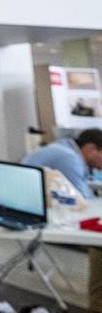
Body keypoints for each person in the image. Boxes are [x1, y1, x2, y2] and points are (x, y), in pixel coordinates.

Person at [22, 129, 102, 312]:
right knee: (99, 247)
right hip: (48, 219)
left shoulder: (61, 149)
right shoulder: (69, 158)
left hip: (38, 212)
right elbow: (85, 202)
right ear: (91, 148)